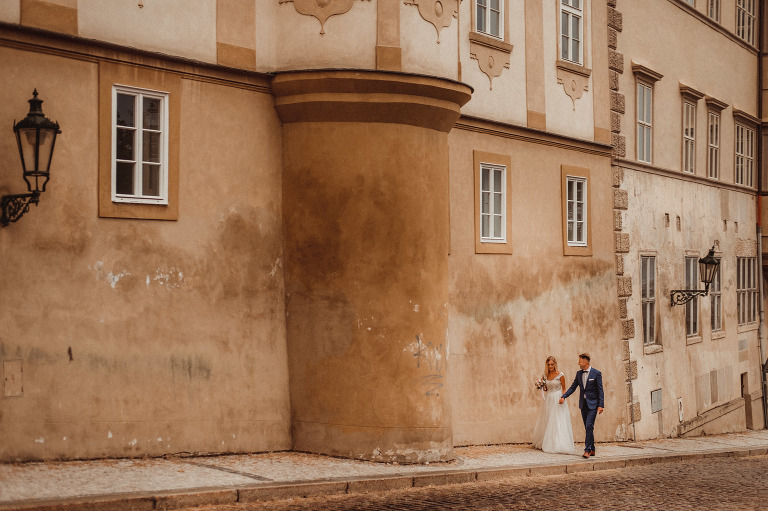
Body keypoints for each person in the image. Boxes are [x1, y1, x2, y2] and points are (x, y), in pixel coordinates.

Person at [559, 353, 604, 458]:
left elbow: (600, 390)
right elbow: (573, 387)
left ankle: (587, 450)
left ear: (585, 362)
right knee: (588, 427)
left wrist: (601, 405)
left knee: (589, 426)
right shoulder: (579, 374)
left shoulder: (596, 373)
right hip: (583, 405)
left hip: (593, 404)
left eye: (579, 361)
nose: (578, 363)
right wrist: (564, 396)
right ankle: (592, 449)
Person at [531, 356, 575, 454]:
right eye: (548, 364)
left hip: (558, 398)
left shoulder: (560, 375)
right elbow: (546, 388)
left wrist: (563, 397)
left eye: (552, 364)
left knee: (557, 420)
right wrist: (542, 386)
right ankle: (545, 441)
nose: (550, 366)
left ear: (555, 364)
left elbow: (564, 388)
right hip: (548, 399)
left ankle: (557, 443)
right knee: (547, 419)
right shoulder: (545, 375)